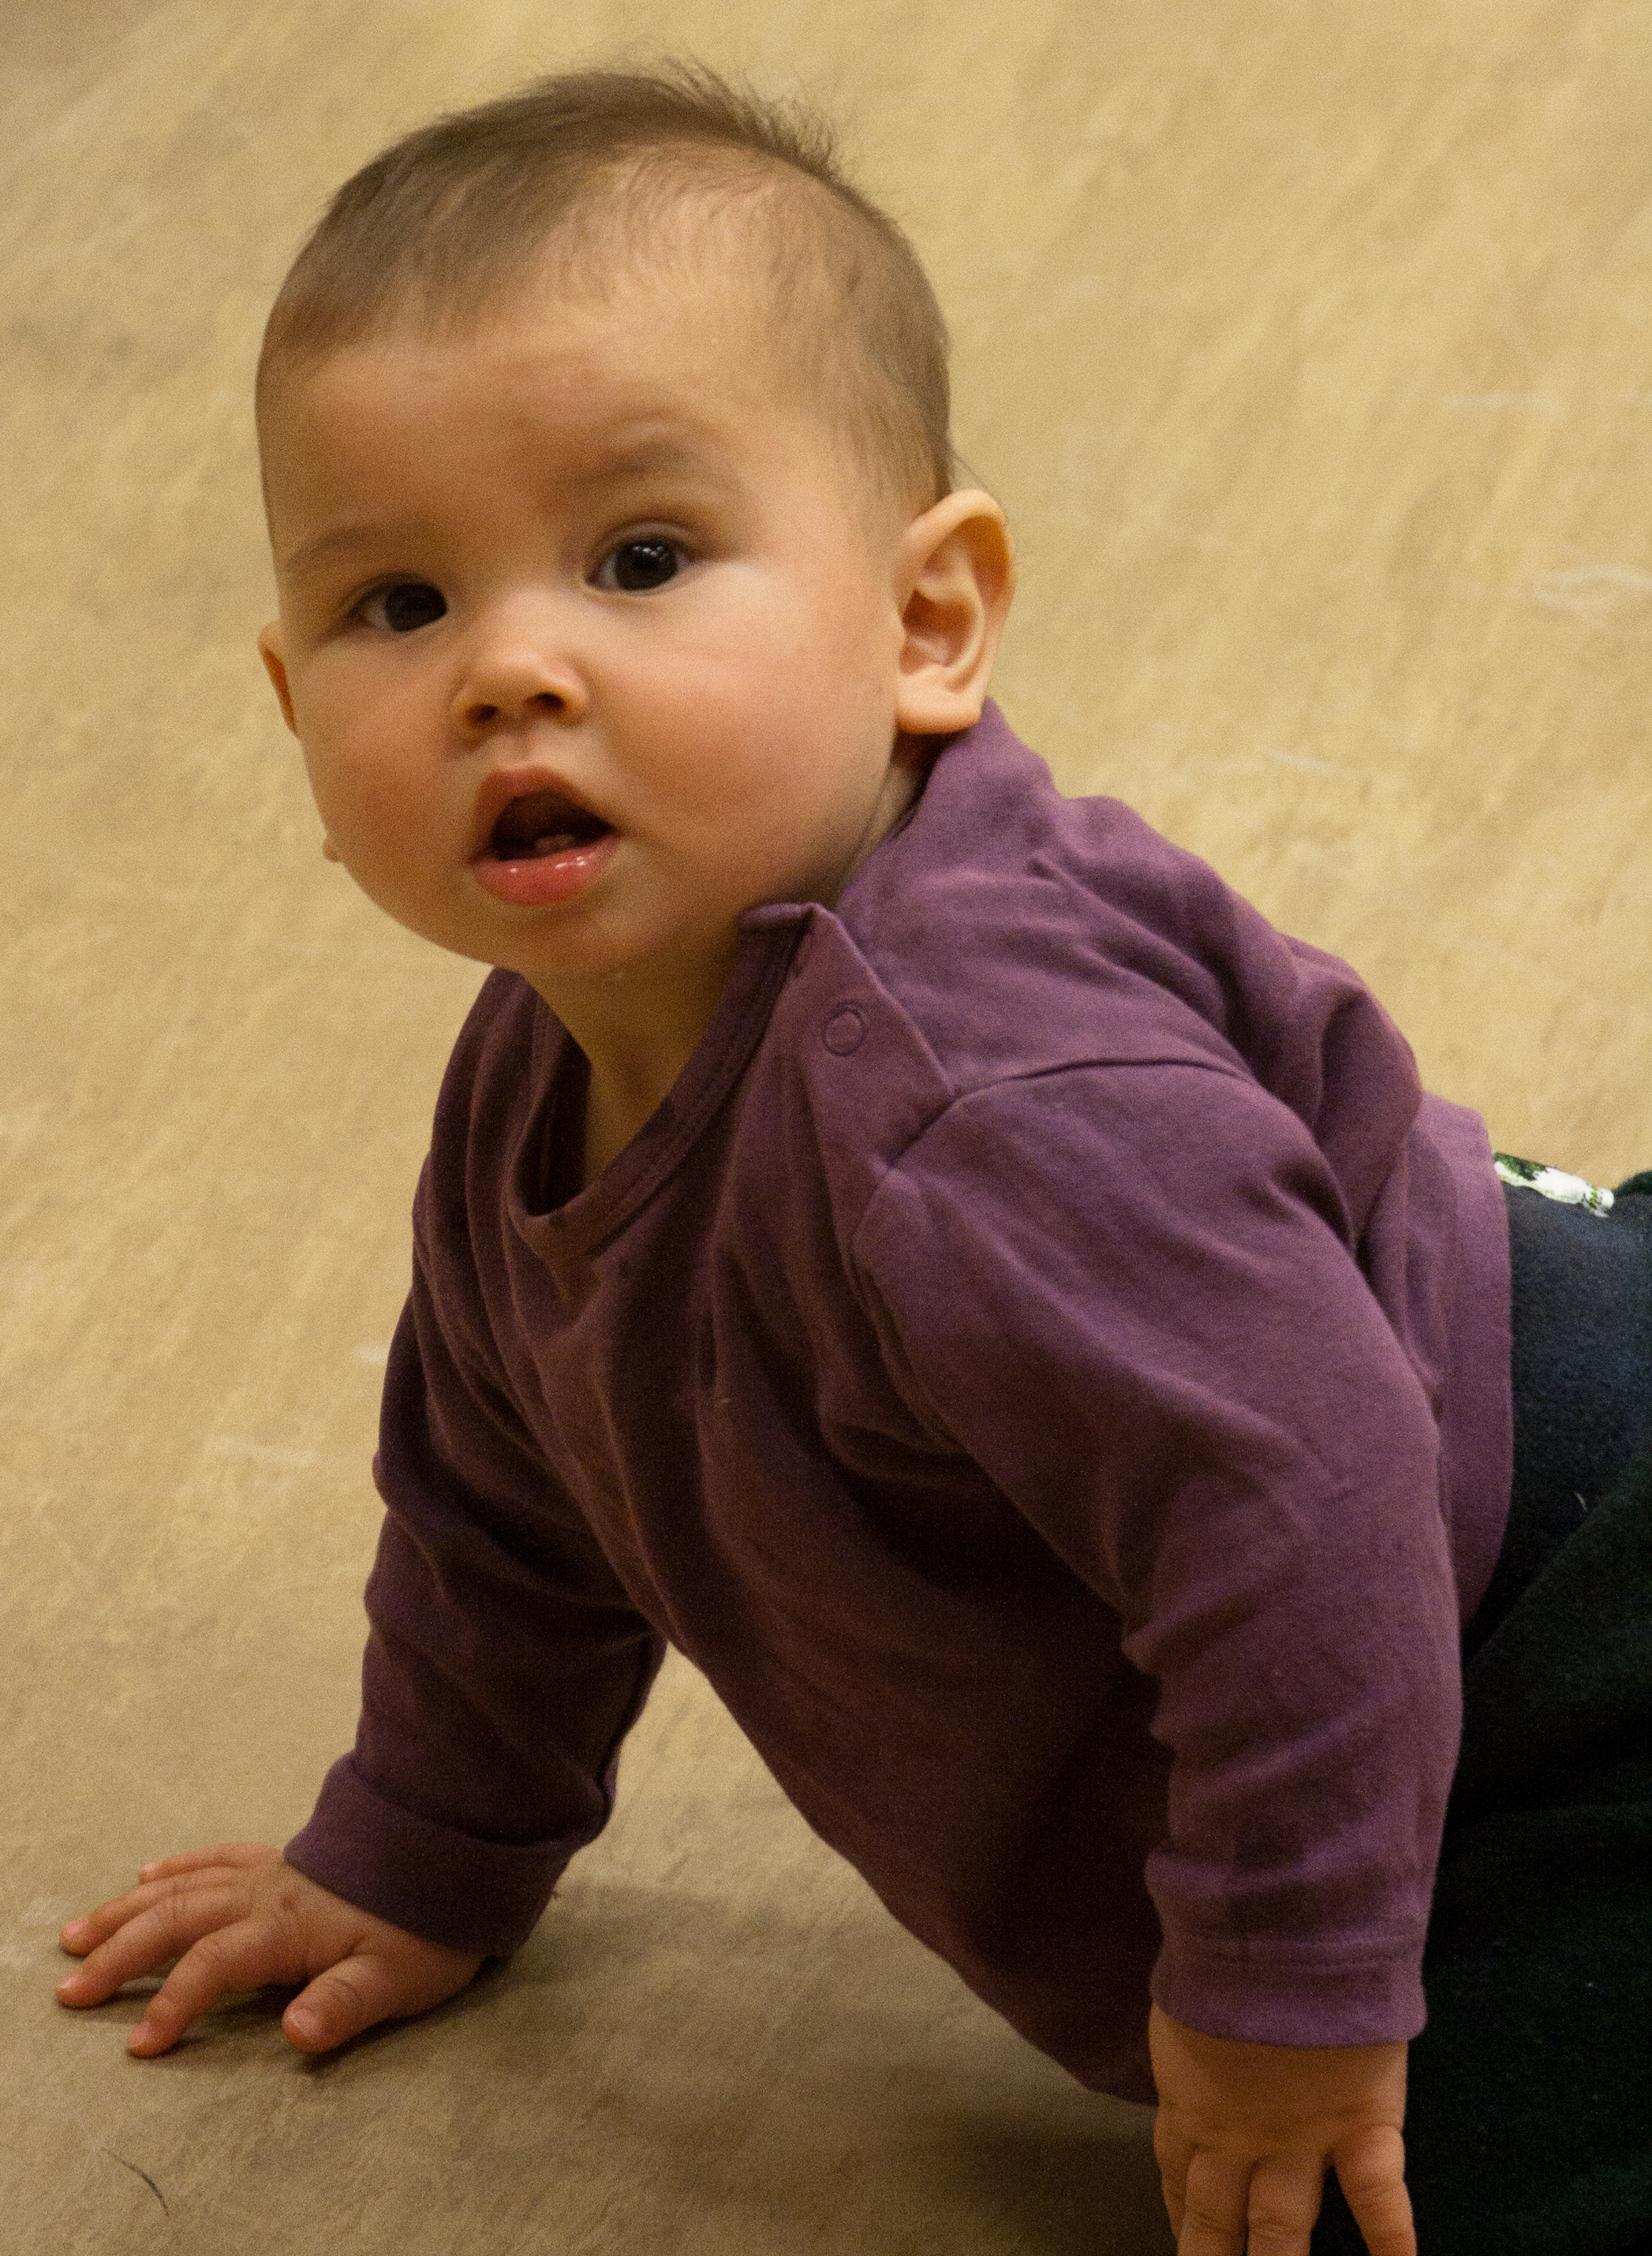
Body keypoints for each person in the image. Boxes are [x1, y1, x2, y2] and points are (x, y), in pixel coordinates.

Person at [53, 64, 1651, 2256]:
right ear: (287, 704)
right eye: (398, 604)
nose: (509, 668)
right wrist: (426, 1839)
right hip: (1414, 1543)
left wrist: (1286, 1987)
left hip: (1560, 1625)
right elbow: (509, 1507)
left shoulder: (984, 1098)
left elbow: (1309, 1509)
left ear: (928, 623)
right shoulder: (540, 1079)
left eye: (639, 560)